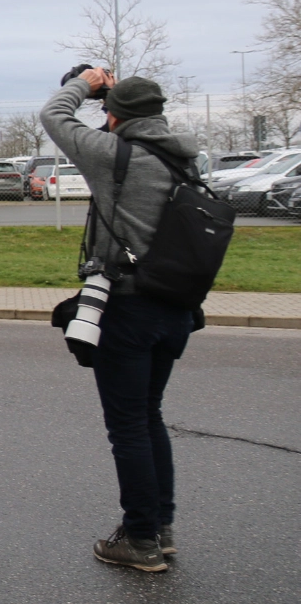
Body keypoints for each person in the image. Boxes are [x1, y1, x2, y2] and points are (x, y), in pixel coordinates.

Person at [44, 68, 200, 572]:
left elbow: (53, 115)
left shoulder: (113, 154)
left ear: (113, 116)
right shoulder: (185, 159)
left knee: (129, 427)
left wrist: (84, 84)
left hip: (127, 308)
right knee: (149, 416)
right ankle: (161, 528)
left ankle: (140, 540)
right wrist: (111, 97)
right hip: (176, 308)